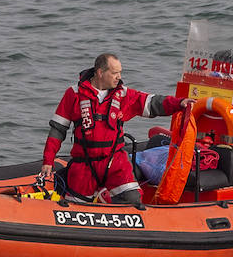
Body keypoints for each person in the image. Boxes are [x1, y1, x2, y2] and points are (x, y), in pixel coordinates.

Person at [39, 53, 189, 205]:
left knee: (132, 200)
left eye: (120, 72)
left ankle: (107, 201)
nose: (119, 77)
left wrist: (180, 103)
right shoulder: (74, 94)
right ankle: (99, 199)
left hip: (114, 160)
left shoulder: (123, 94)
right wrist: (48, 161)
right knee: (75, 206)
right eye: (114, 73)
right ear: (100, 73)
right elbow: (57, 130)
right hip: (84, 164)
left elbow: (152, 103)